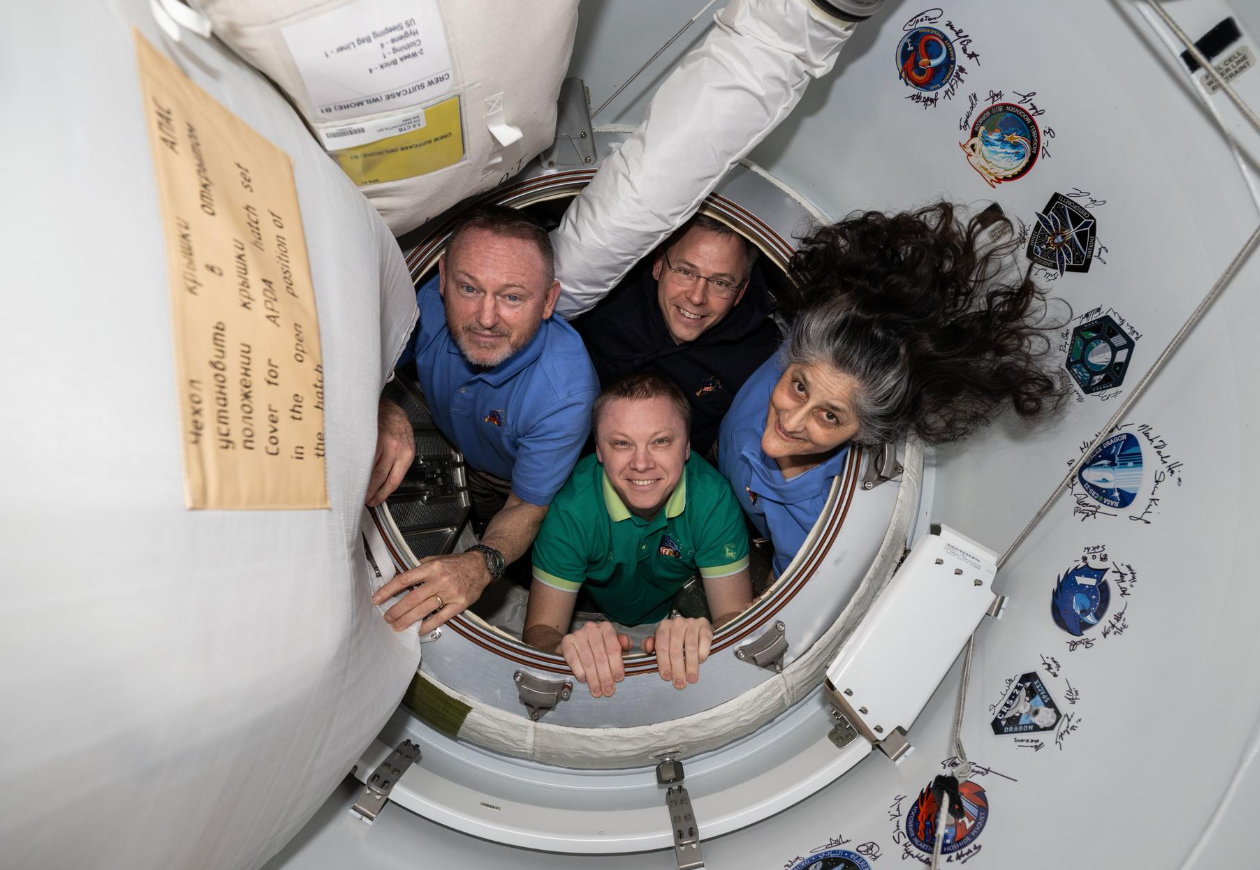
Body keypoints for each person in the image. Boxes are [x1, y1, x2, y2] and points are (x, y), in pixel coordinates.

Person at [719, 202, 1066, 579]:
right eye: (799, 387)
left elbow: (781, 583)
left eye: (830, 415)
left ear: (865, 433)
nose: (793, 419)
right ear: (790, 359)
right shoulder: (812, 357)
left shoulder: (819, 522)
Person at [368, 206, 599, 633]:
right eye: (469, 288)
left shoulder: (564, 393)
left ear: (549, 301)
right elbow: (374, 356)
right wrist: (385, 406)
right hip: (456, 444)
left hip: (510, 481)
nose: (486, 318)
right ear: (441, 277)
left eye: (512, 297)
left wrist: (481, 563)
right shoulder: (426, 307)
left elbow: (528, 504)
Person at [523, 373, 754, 698]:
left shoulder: (712, 499)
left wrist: (708, 633)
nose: (641, 463)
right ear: (599, 452)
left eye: (660, 441)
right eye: (621, 443)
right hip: (594, 611)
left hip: (675, 607)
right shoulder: (571, 510)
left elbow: (733, 616)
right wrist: (563, 649)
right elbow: (539, 631)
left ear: (687, 447)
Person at [576, 215, 781, 456]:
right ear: (658, 264)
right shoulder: (603, 296)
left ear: (741, 292)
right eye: (685, 271)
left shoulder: (759, 356)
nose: (697, 297)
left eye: (720, 283)